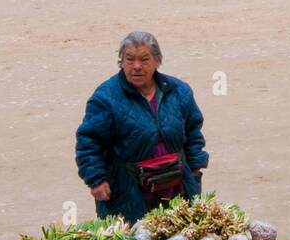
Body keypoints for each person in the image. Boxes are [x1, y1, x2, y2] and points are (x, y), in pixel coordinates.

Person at [76, 31, 208, 222]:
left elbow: (193, 131)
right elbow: (89, 142)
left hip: (177, 188)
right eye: (129, 59)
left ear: (157, 61)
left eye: (144, 59)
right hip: (128, 191)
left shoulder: (178, 91)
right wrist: (96, 179)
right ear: (121, 62)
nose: (136, 66)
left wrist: (195, 170)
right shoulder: (105, 98)